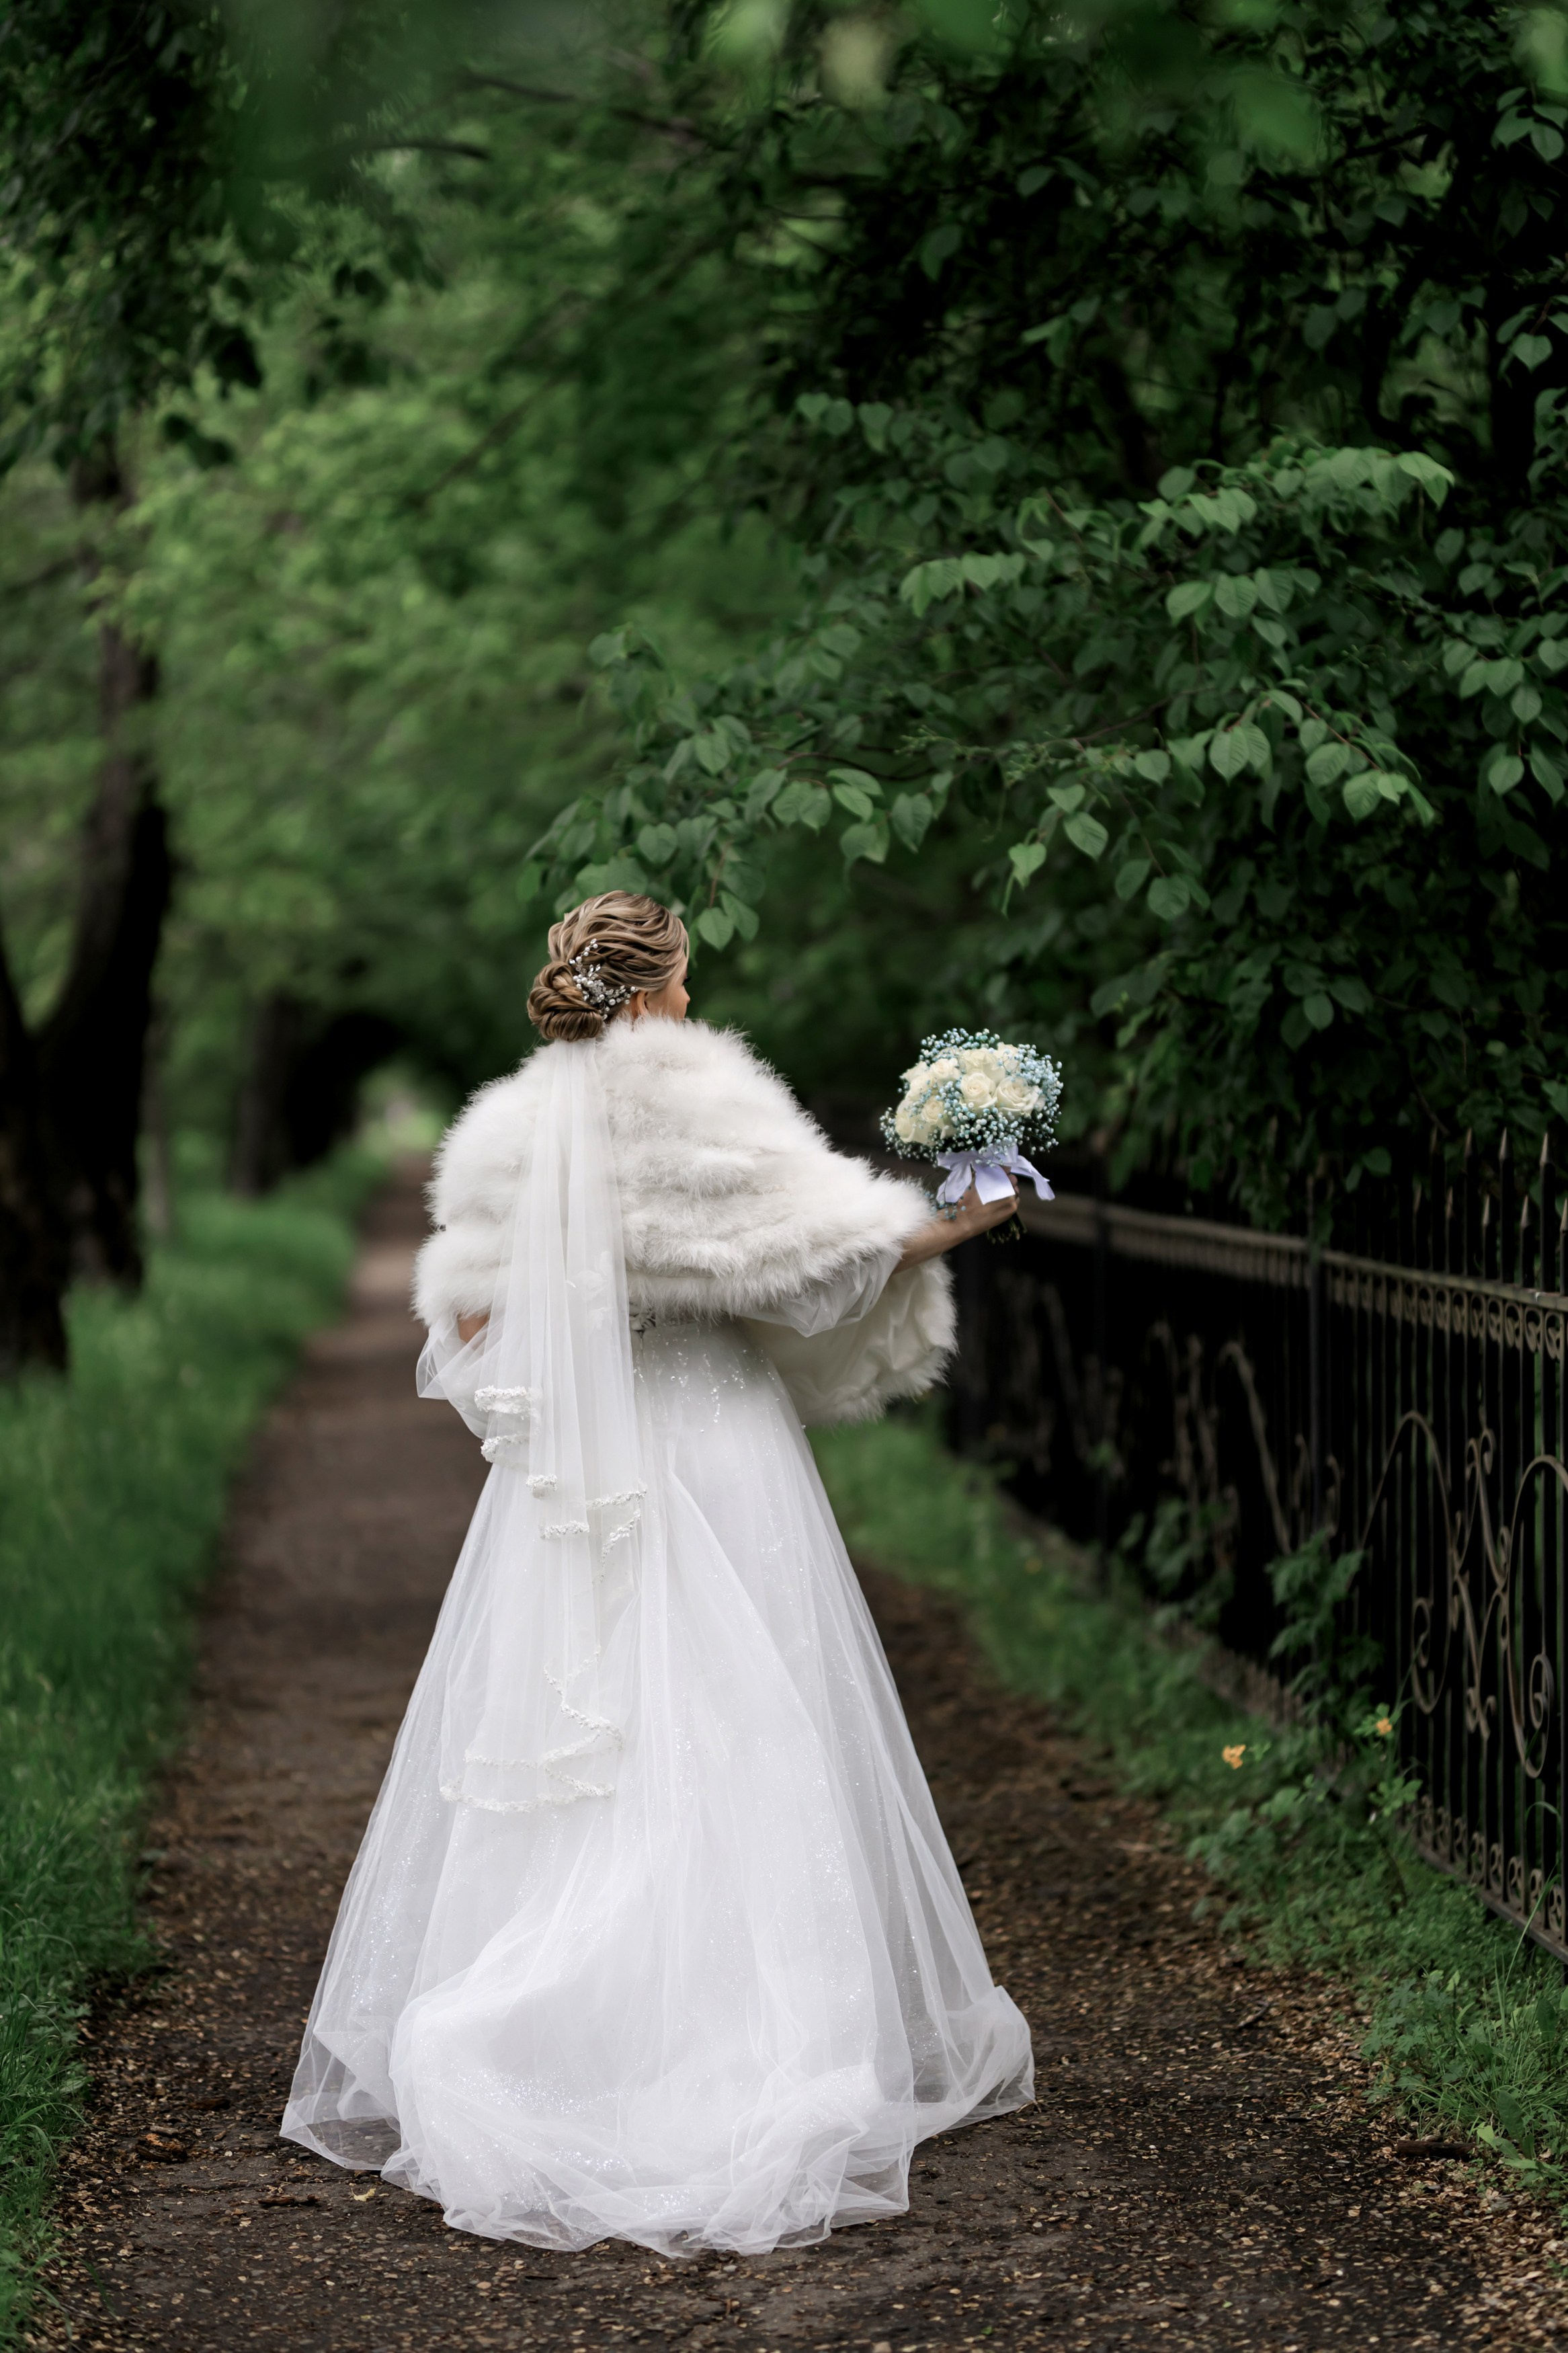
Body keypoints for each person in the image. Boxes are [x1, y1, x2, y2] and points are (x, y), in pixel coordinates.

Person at [282, 889, 1034, 2257]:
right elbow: (820, 1265)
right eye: (683, 984)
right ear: (648, 995)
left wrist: (580, 1331)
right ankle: (749, 2039)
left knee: (583, 1738)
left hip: (577, 1480)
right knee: (748, 1723)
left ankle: (554, 2034)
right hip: (714, 1447)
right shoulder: (696, 1097)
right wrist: (964, 1214)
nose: (691, 1005)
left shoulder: (512, 1130)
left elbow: (465, 1319)